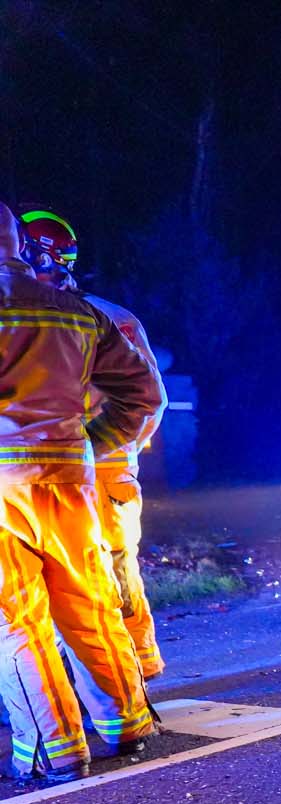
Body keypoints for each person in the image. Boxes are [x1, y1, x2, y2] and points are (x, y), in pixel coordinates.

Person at [0, 202, 163, 781]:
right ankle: (129, 725)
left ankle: (57, 750)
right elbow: (144, 395)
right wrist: (90, 447)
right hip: (74, 480)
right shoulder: (80, 312)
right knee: (90, 600)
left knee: (18, 624)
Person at [21, 208, 168, 678]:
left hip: (94, 471)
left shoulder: (100, 318)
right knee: (70, 585)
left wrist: (91, 448)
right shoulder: (77, 315)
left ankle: (134, 675)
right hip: (67, 472)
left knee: (111, 578)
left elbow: (148, 399)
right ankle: (102, 684)